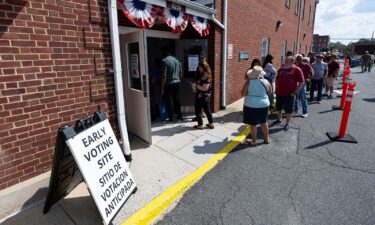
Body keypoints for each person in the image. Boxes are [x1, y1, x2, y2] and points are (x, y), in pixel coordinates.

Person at [272, 56, 305, 131]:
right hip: (279, 92)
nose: (285, 61)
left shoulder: (297, 69)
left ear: (292, 61)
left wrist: (295, 92)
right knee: (278, 107)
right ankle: (279, 119)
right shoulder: (281, 69)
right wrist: (276, 88)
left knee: (289, 110)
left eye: (287, 60)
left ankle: (287, 123)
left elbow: (302, 82)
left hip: (290, 94)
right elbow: (277, 79)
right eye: (285, 60)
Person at [241, 66, 271, 145]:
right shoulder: (266, 81)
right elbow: (270, 92)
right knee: (264, 122)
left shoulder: (249, 82)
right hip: (264, 104)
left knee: (253, 124)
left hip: (251, 105)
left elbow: (243, 94)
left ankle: (254, 141)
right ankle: (267, 139)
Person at [161, 47, 183, 123]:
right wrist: (178, 79)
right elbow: (181, 72)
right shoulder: (177, 60)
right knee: (177, 100)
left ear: (165, 51)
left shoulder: (164, 61)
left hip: (169, 84)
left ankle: (172, 118)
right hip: (177, 82)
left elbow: (164, 75)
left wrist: (162, 88)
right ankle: (179, 116)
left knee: (169, 101)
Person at [193, 62, 214, 129]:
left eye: (200, 67)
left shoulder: (205, 76)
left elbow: (205, 88)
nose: (199, 69)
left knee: (198, 111)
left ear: (203, 68)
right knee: (207, 110)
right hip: (206, 97)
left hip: (201, 97)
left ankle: (200, 125)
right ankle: (211, 124)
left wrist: (195, 85)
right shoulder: (206, 75)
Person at [192, 52, 211, 122]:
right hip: (199, 86)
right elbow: (196, 75)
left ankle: (200, 117)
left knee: (202, 103)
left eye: (202, 57)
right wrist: (195, 83)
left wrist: (197, 85)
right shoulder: (199, 66)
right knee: (199, 103)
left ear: (205, 58)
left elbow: (206, 84)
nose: (201, 59)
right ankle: (199, 116)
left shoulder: (205, 66)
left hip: (203, 87)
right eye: (200, 57)